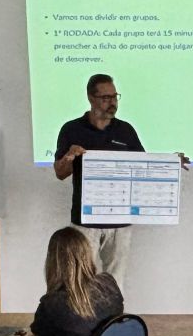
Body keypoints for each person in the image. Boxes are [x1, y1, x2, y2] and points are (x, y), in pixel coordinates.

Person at [52, 74, 153, 287]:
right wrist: (70, 156)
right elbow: (60, 173)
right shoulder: (71, 129)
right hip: (85, 221)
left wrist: (170, 163)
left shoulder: (125, 130)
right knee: (81, 278)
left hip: (120, 221)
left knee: (116, 280)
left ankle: (114, 320)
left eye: (115, 96)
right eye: (106, 97)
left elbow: (144, 166)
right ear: (91, 98)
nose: (112, 103)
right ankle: (83, 318)